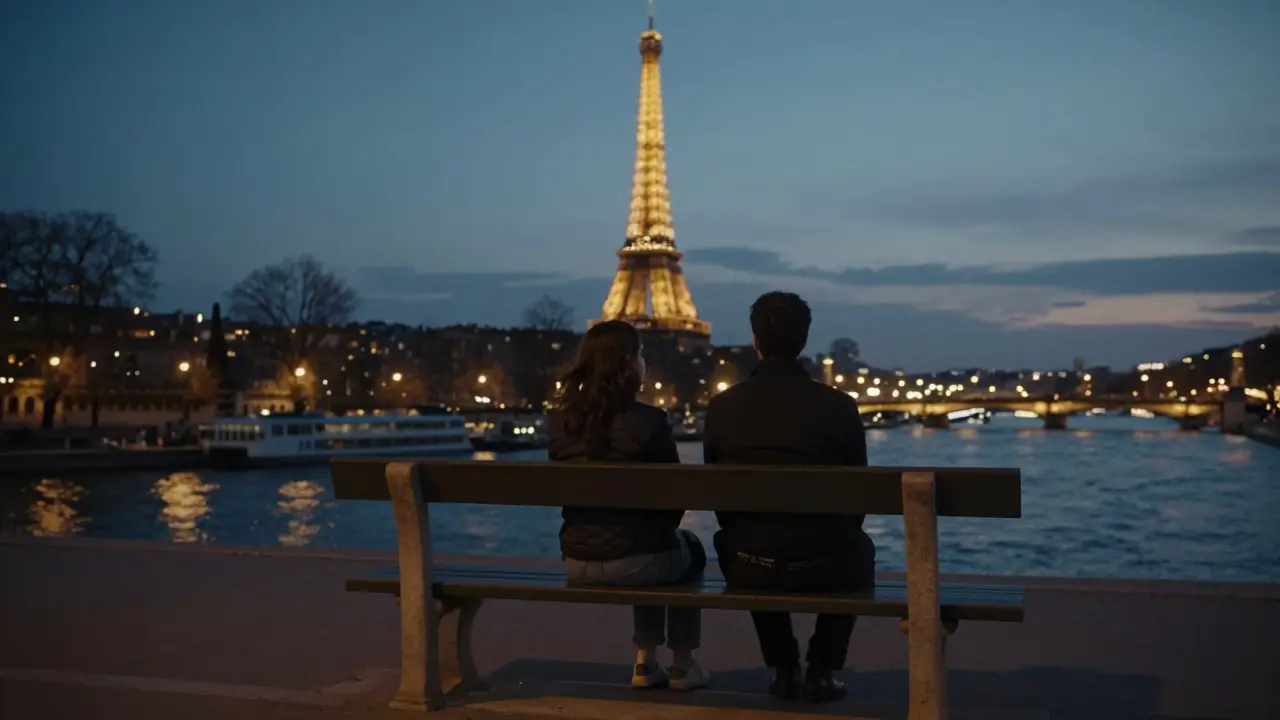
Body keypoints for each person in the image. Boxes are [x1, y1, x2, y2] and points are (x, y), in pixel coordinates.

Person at [704, 292, 874, 704]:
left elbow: (721, 504)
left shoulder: (723, 408)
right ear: (805, 339)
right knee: (857, 549)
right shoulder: (839, 406)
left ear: (755, 340)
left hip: (749, 564)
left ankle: (783, 669)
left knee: (746, 535)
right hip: (826, 564)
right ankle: (821, 670)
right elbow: (859, 499)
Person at [550, 319, 711, 691]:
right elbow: (674, 499)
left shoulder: (560, 423)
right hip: (639, 562)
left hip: (576, 562)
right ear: (627, 363)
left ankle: (645, 664)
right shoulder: (649, 421)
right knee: (684, 549)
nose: (644, 361)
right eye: (640, 354)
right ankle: (680, 665)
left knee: (653, 544)